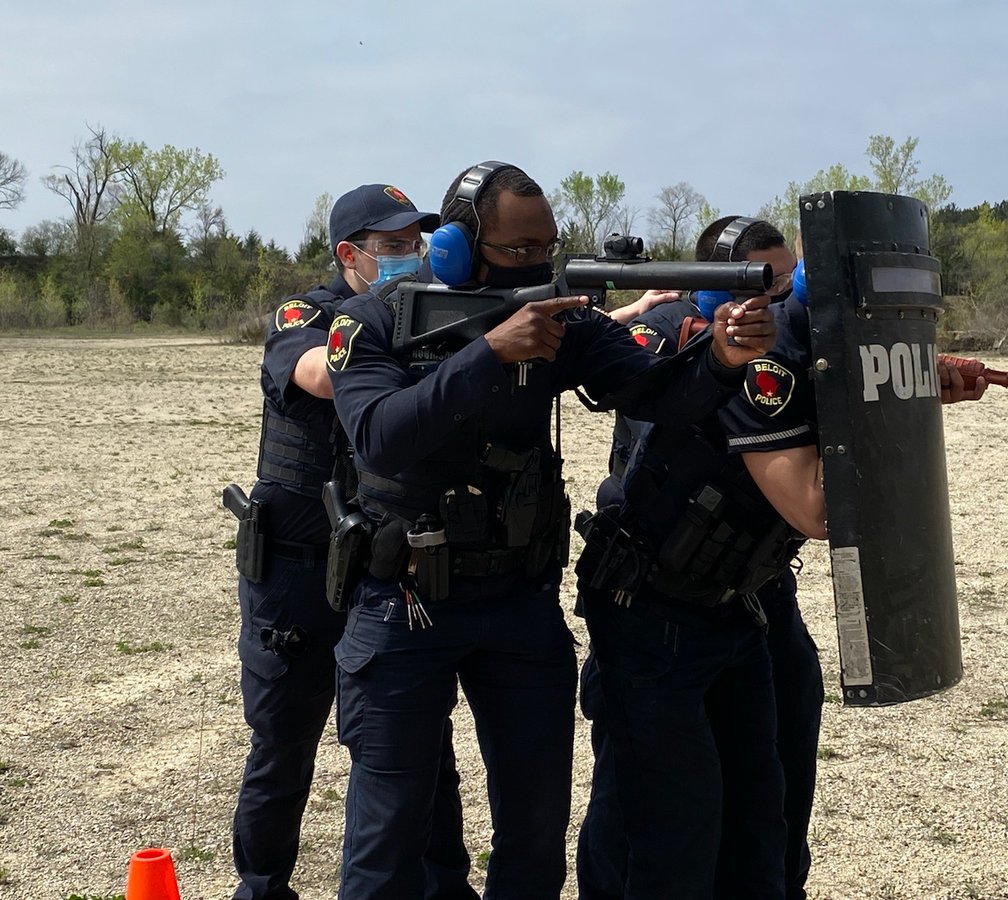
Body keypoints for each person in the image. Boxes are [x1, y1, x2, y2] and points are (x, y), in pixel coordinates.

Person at [323, 160, 775, 900]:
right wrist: (488, 353)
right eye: (518, 251)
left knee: (534, 836)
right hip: (402, 606)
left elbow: (654, 391)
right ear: (457, 248)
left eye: (546, 249)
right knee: (387, 840)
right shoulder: (368, 323)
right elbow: (378, 436)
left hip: (517, 605)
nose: (536, 265)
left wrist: (722, 358)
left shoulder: (558, 321)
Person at [575, 216, 986, 900]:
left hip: (740, 601)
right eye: (765, 287)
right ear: (718, 298)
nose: (786, 301)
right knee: (664, 825)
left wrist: (903, 384)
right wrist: (886, 402)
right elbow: (817, 509)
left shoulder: (792, 353)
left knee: (761, 812)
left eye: (792, 282)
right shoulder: (752, 367)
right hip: (656, 612)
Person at [231, 184, 476, 900]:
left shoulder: (426, 313)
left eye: (416, 244)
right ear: (350, 255)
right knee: (284, 743)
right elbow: (319, 372)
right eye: (394, 246)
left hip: (380, 573)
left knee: (423, 749)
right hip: (297, 576)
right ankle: (263, 887)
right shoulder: (305, 317)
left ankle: (443, 889)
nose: (411, 256)